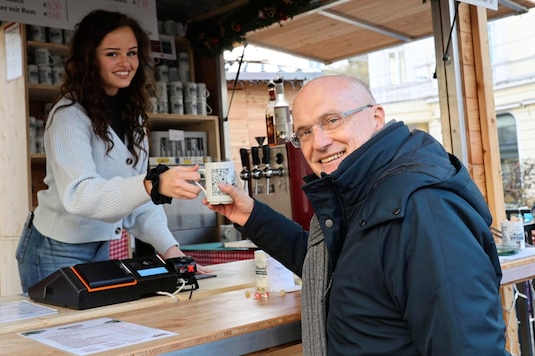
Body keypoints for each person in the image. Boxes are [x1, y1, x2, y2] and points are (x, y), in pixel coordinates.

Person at [205, 75, 506, 355]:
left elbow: (469, 347)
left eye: (332, 120)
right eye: (305, 132)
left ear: (376, 117)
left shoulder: (421, 205)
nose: (319, 142)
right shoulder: (364, 192)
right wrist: (251, 216)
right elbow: (336, 269)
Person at [16, 10, 207, 293]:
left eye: (131, 53)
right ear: (89, 57)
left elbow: (141, 202)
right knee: (63, 334)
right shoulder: (69, 116)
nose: (125, 63)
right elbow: (79, 196)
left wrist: (171, 249)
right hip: (55, 248)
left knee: (96, 331)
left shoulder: (135, 117)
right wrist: (152, 184)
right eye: (111, 54)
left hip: (100, 246)